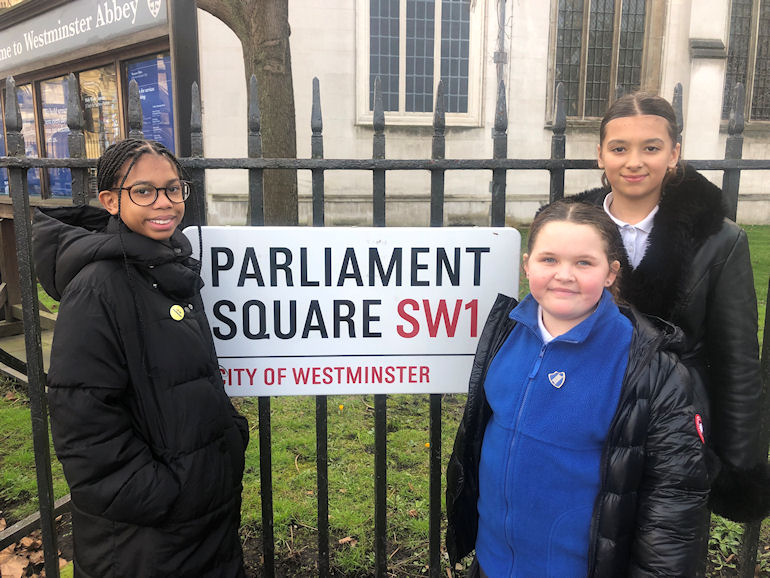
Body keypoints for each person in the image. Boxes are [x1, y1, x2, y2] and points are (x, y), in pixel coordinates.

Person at [446, 200, 710, 576]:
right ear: (527, 265)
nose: (564, 275)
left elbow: (674, 507)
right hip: (491, 564)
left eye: (583, 262)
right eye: (548, 260)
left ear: (610, 272)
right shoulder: (504, 336)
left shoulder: (651, 370)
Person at [32, 139, 249, 577]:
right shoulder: (98, 287)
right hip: (145, 540)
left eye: (173, 188)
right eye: (144, 191)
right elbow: (84, 422)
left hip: (203, 520)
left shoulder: (166, 269)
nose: (164, 202)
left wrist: (228, 437)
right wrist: (165, 493)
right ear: (110, 200)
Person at [574, 93, 769, 532]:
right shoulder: (572, 228)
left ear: (674, 153)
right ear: (600, 155)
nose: (634, 161)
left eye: (651, 147)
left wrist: (737, 466)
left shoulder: (720, 241)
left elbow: (738, 361)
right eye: (619, 148)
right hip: (588, 417)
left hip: (675, 427)